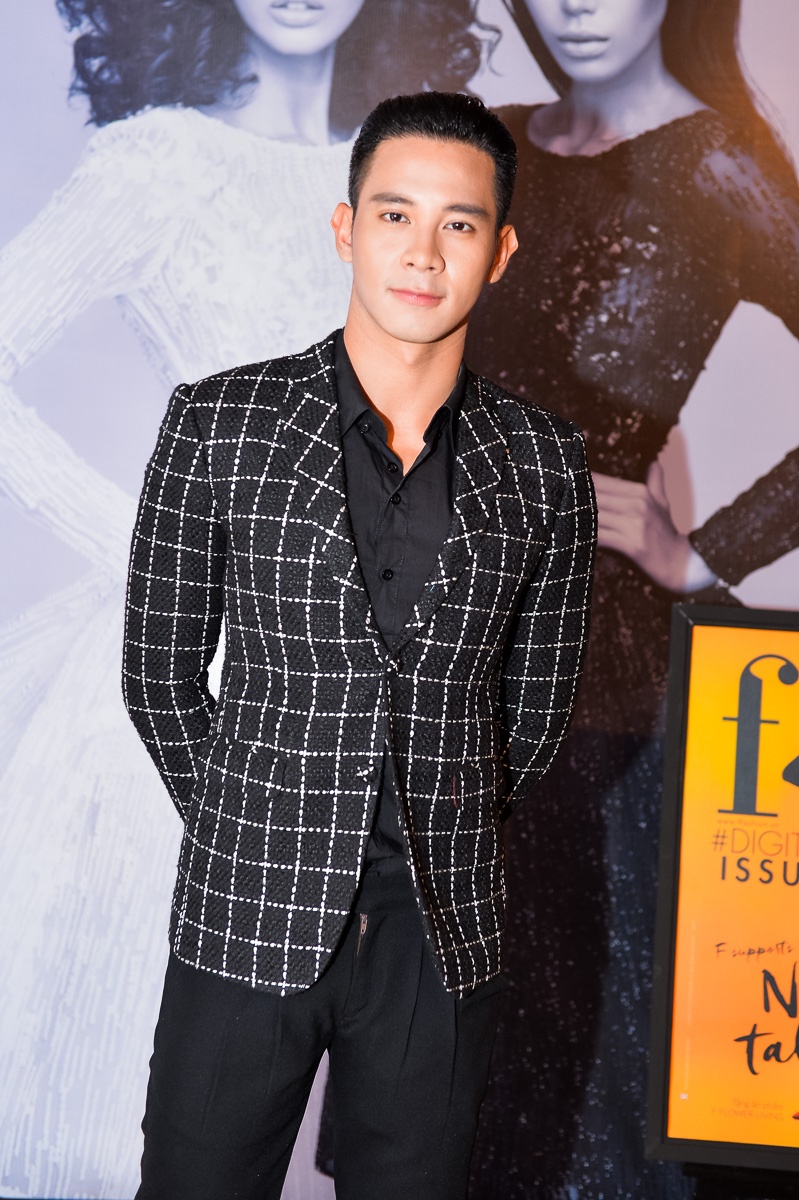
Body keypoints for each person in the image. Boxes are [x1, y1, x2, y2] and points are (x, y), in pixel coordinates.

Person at [0, 2, 479, 1192]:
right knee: (137, 1109)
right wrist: (151, 549)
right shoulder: (157, 164)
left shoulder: (411, 174)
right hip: (189, 689)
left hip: (377, 701)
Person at [122, 89, 597, 1200]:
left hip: (441, 934)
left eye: (459, 223)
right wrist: (258, 823)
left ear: (500, 252)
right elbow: (158, 675)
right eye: (394, 215)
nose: (423, 253)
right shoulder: (219, 422)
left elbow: (534, 714)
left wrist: (440, 817)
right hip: (246, 911)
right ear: (346, 229)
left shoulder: (545, 462)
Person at [464, 1, 799, 1197]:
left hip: (594, 674)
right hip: (437, 645)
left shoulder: (719, 167)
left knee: (571, 1046)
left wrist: (705, 554)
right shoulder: (488, 144)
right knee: (436, 1040)